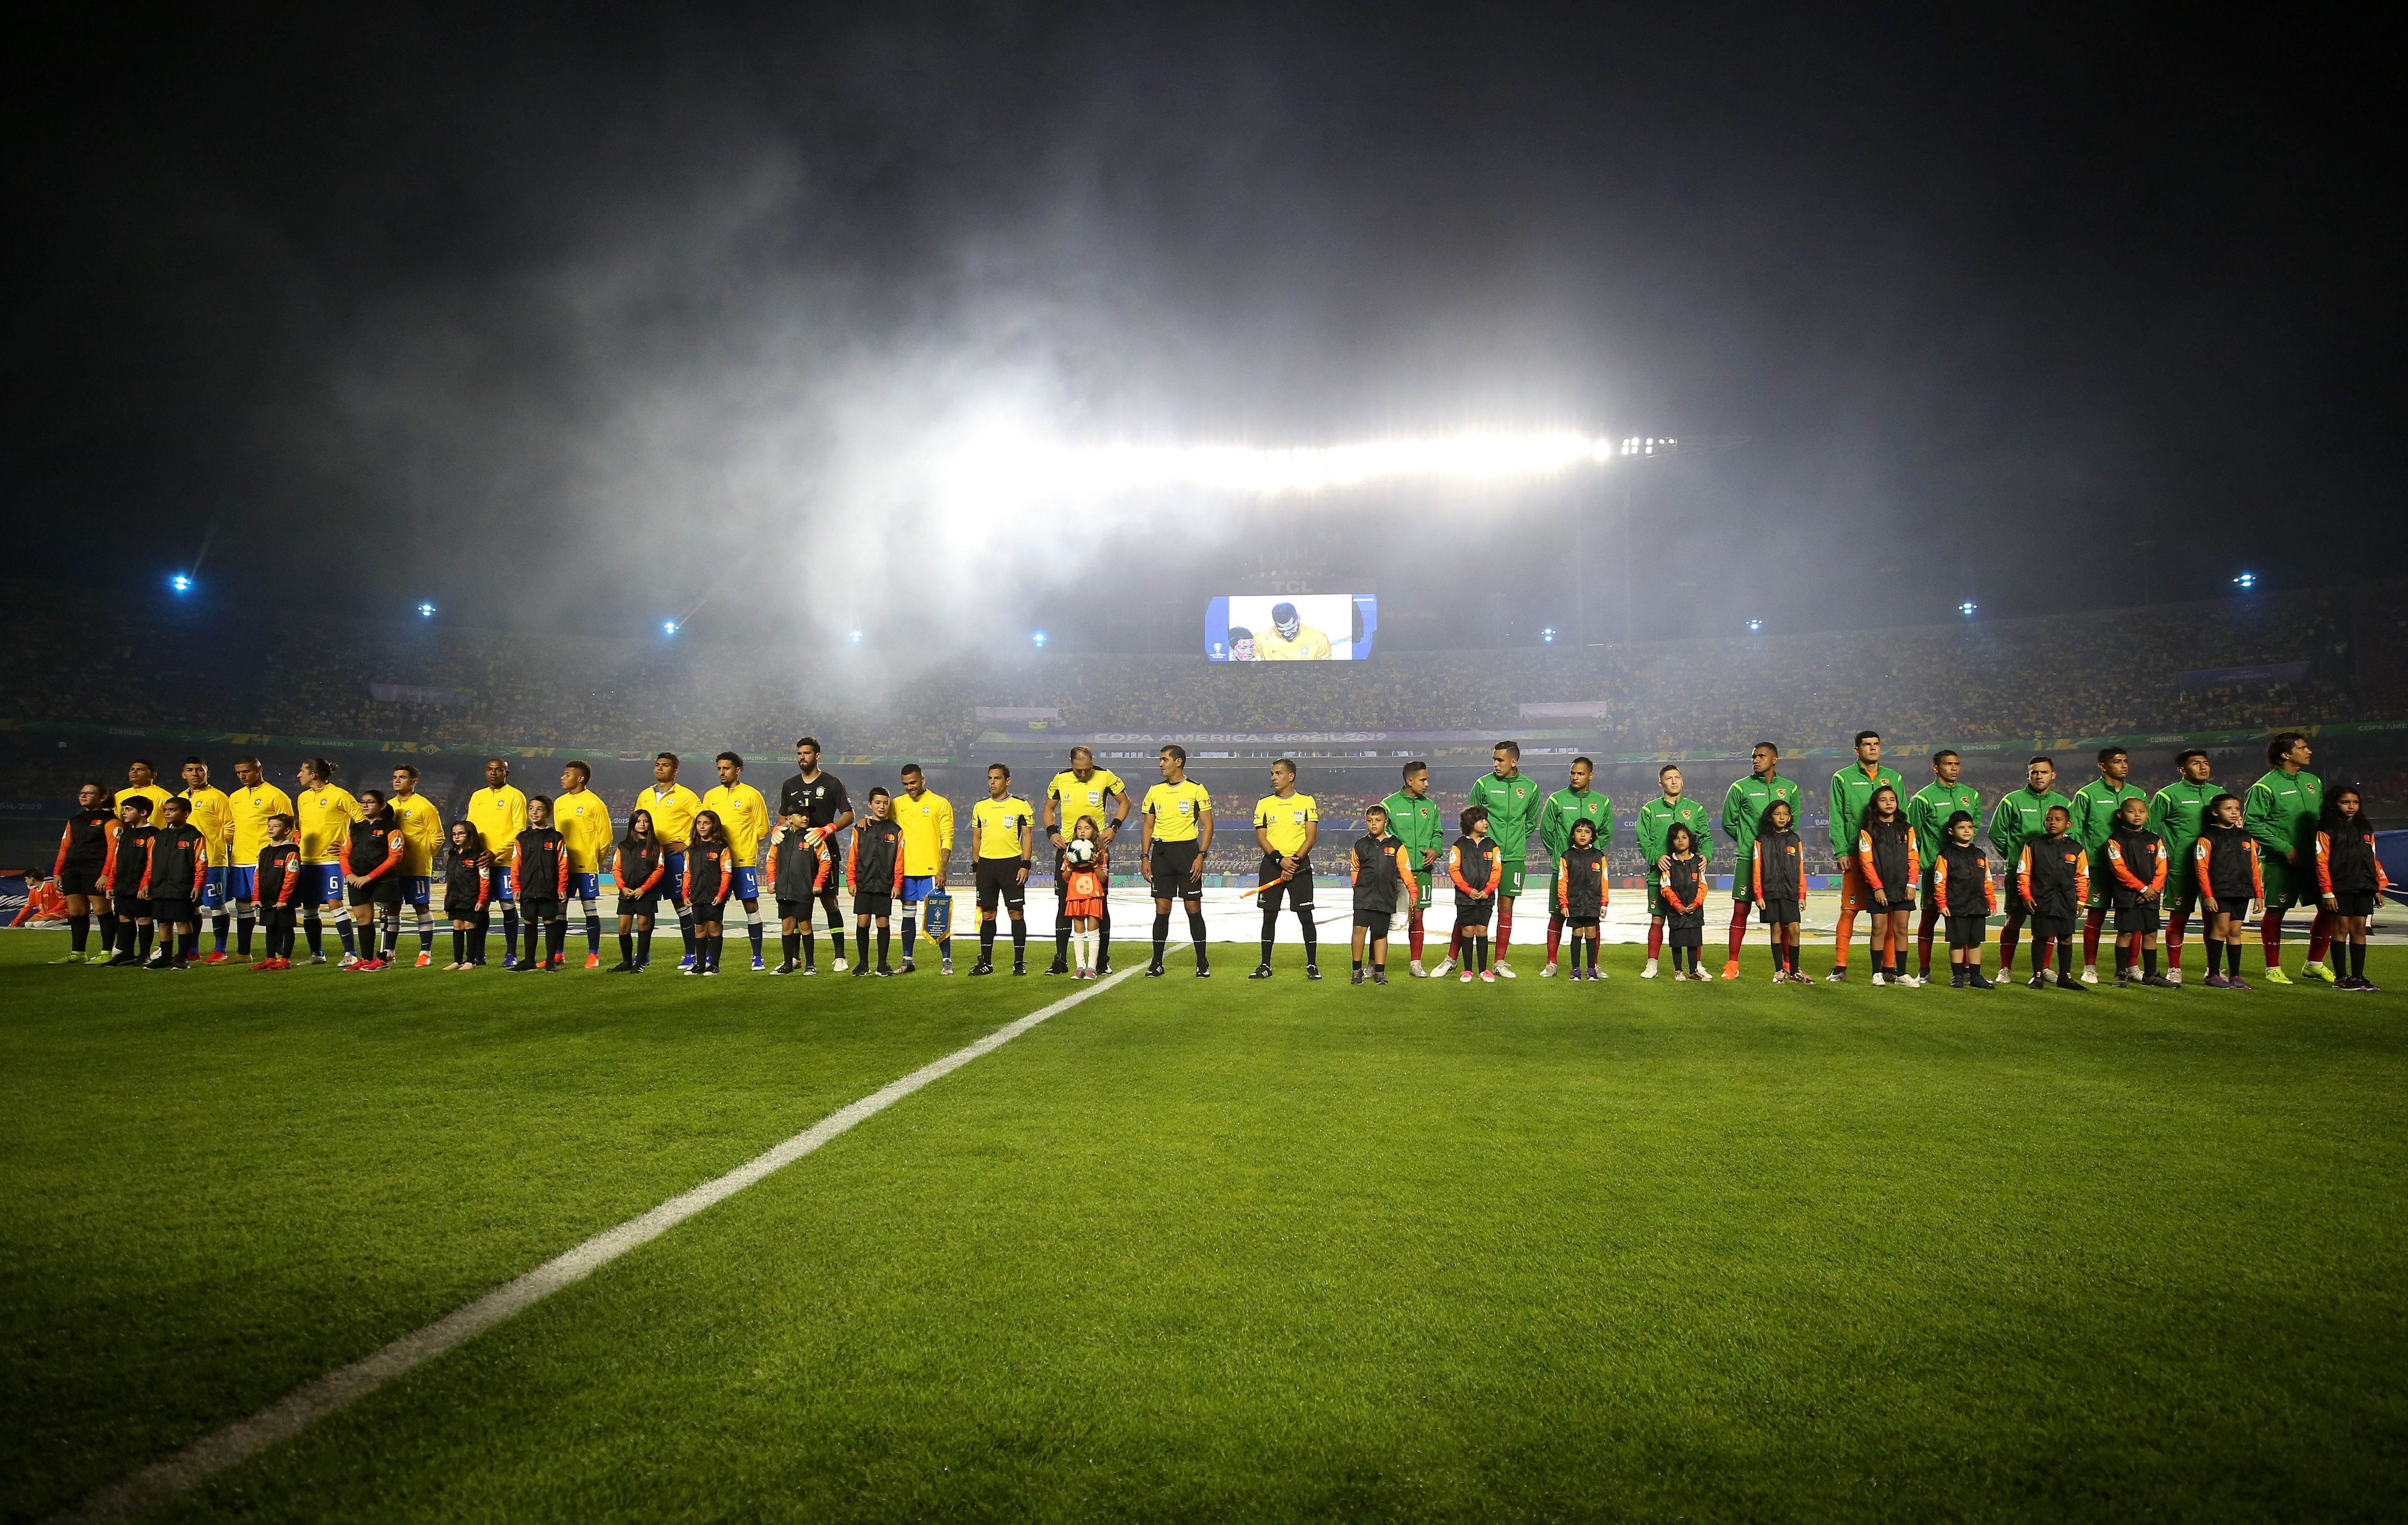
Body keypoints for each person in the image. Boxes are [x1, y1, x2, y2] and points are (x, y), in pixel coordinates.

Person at [2244, 731, 2328, 985]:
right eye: (2302, 748)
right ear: (2285, 754)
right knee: (2276, 911)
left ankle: (2314, 964)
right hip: (2280, 861)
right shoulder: (2264, 787)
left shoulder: (2313, 781)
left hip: (2315, 860)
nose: (2309, 751)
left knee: (2330, 908)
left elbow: (2323, 818)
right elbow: (2252, 823)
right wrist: (2285, 849)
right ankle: (2273, 968)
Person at [1987, 756, 2073, 983]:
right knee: (2014, 920)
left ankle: (2044, 968)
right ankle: (2005, 968)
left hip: (2051, 876)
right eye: (2035, 772)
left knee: (2050, 921)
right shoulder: (2011, 801)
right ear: (2028, 775)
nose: (2039, 776)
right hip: (2020, 873)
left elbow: (2071, 836)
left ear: (2053, 775)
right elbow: (1996, 833)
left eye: (2044, 772)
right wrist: (2016, 857)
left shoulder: (2063, 803)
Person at [1825, 732, 1903, 982]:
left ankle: (1888, 968)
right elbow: (1837, 817)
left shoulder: (1894, 778)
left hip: (1888, 856)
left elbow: (1902, 815)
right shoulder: (1842, 778)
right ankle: (1840, 967)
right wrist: (1841, 851)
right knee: (1849, 910)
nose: (1873, 748)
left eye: (1876, 744)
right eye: (1867, 745)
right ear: (1857, 750)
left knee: (1888, 913)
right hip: (1855, 854)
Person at [1043, 747, 1127, 975]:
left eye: (1087, 769)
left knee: (1101, 906)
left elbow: (1125, 802)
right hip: (1069, 852)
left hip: (1096, 852)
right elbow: (1049, 808)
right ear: (1071, 763)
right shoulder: (1060, 779)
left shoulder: (1105, 776)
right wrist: (1052, 832)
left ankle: (1101, 961)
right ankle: (1061, 961)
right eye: (1078, 770)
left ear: (1093, 762)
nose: (1083, 774)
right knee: (1065, 904)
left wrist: (1114, 827)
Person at [2069, 747, 2149, 984]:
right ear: (2103, 767)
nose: (2124, 765)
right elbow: (2075, 830)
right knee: (2096, 917)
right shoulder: (2087, 794)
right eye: (2117, 762)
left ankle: (2132, 967)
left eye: (2126, 761)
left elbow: (2148, 830)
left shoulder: (2138, 794)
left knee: (2133, 918)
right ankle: (2090, 968)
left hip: (2132, 870)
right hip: (2099, 867)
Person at [1719, 742, 1800, 980]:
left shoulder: (1790, 788)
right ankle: (1733, 963)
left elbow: (1793, 821)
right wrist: (1748, 842)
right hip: (1748, 857)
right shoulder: (1740, 787)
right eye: (1754, 757)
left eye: (1762, 756)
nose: (1756, 760)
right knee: (1741, 910)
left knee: (1784, 916)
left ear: (1775, 759)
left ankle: (1787, 965)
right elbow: (1728, 822)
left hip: (1780, 861)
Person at [1461, 742, 1542, 977]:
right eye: (1495, 760)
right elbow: (1470, 817)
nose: (1496, 764)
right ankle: (1454, 959)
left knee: (1506, 908)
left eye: (1500, 760)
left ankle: (1499, 962)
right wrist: (1486, 844)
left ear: (1514, 762)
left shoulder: (1530, 788)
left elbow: (1530, 822)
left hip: (1513, 857)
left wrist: (1516, 841)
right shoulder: (1483, 784)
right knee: (1470, 907)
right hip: (1484, 857)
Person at [775, 737, 854, 973]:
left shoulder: (832, 783)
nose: (802, 757)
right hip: (796, 855)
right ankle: (794, 958)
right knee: (794, 905)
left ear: (817, 756)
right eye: (799, 753)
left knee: (830, 902)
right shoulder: (789, 785)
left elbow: (849, 814)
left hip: (824, 851)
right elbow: (783, 816)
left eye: (807, 753)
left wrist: (828, 829)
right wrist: (779, 828)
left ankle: (840, 956)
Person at [1904, 750, 1981, 983]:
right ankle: (1924, 970)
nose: (1954, 768)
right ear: (1936, 768)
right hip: (1934, 869)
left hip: (1965, 870)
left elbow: (1975, 826)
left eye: (1957, 764)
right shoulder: (1923, 799)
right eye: (1948, 764)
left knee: (1966, 918)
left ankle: (1964, 970)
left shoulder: (1971, 795)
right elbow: (1913, 833)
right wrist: (1922, 862)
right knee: (1929, 919)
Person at [1140, 745, 1214, 977]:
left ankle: (1202, 962)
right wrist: (1145, 857)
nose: (1161, 764)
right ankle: (1157, 962)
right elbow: (1148, 826)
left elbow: (1208, 825)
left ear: (1178, 762)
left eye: (1165, 760)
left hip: (1187, 853)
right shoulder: (1155, 791)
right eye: (1160, 760)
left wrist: (1201, 855)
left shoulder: (1196, 790)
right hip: (1161, 854)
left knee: (1193, 908)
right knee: (1162, 908)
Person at [2148, 749, 2219, 984]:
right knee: (2179, 919)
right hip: (2182, 867)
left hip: (2215, 869)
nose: (2203, 767)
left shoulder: (2219, 794)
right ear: (2182, 770)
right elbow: (2149, 830)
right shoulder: (2167, 796)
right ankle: (2174, 968)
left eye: (2205, 763)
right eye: (2196, 764)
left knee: (2215, 920)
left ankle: (2213, 969)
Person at [1636, 764, 1713, 980]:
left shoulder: (1696, 809)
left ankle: (1697, 966)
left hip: (1690, 878)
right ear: (1661, 783)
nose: (1674, 781)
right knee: (1658, 919)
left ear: (1683, 781)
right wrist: (1656, 857)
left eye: (1677, 777)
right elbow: (1643, 841)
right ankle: (1652, 964)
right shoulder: (1649, 810)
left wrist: (1706, 855)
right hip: (1660, 876)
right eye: (1669, 778)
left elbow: (1706, 838)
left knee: (1693, 921)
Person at [1540, 757, 1612, 978]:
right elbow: (1546, 831)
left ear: (1591, 775)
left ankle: (1593, 965)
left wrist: (1592, 856)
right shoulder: (1557, 799)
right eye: (1572, 773)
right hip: (1564, 869)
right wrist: (1559, 855)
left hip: (1591, 872)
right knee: (1557, 915)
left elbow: (1606, 832)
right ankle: (1552, 963)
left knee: (1592, 917)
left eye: (1580, 774)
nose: (1575, 777)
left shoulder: (1602, 803)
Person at [1249, 758, 1321, 980]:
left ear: (1291, 777)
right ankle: (1265, 965)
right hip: (1272, 865)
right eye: (1272, 773)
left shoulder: (1307, 802)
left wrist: (1293, 863)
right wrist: (1281, 861)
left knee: (1306, 916)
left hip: (1300, 867)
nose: (1274, 777)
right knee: (1269, 916)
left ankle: (1312, 965)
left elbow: (1311, 838)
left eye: (1278, 773)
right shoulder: (1264, 804)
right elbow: (1262, 838)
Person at [702, 752, 772, 971]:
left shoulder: (752, 795)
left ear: (738, 770)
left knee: (750, 906)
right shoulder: (710, 796)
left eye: (727, 769)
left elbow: (763, 828)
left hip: (743, 861)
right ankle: (712, 960)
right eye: (719, 769)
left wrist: (745, 845)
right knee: (714, 909)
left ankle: (757, 957)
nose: (722, 773)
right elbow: (705, 826)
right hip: (715, 862)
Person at [637, 753, 707, 971]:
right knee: (647, 904)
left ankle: (690, 954)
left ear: (675, 771)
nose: (660, 768)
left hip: (674, 857)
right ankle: (643, 955)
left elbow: (704, 819)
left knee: (681, 903)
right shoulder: (645, 795)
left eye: (665, 765)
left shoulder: (686, 796)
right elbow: (638, 821)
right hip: (649, 856)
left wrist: (687, 844)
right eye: (657, 765)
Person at [2314, 786, 2388, 991]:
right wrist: (2327, 892)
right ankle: (2341, 978)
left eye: (2355, 803)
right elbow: (2321, 863)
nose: (2351, 807)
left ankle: (2358, 977)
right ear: (2334, 804)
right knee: (2341, 929)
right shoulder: (2326, 830)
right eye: (2345, 802)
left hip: (2363, 886)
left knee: (2359, 930)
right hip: (2340, 887)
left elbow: (2372, 860)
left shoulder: (2365, 830)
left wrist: (2376, 888)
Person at [294, 758, 363, 966]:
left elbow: (363, 822)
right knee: (309, 908)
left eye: (302, 771)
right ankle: (317, 954)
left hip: (330, 861)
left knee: (335, 904)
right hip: (307, 860)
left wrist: (347, 846)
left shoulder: (340, 795)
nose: (299, 775)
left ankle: (350, 953)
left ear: (313, 774)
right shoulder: (303, 798)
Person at [223, 756, 292, 964]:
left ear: (259, 770)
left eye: (246, 772)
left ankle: (278, 953)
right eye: (239, 773)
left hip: (264, 860)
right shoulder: (235, 797)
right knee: (243, 904)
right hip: (239, 858)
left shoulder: (276, 795)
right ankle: (244, 953)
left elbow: (289, 827)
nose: (242, 776)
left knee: (272, 905)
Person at [969, 763, 1035, 976]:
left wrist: (1025, 864)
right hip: (987, 866)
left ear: (1008, 781)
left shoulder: (1021, 806)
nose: (992, 782)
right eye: (990, 778)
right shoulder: (980, 807)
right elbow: (977, 839)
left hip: (1011, 865)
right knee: (988, 914)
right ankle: (986, 963)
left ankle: (1019, 963)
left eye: (997, 778)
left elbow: (1027, 837)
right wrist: (976, 866)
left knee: (1016, 913)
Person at [1379, 762, 1445, 976]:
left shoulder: (1431, 807)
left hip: (1422, 872)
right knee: (1382, 918)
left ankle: (1416, 963)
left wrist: (1435, 850)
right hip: (1395, 874)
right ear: (1409, 781)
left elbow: (1437, 834)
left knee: (1417, 917)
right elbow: (1381, 837)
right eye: (1422, 780)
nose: (1427, 784)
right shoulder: (1389, 806)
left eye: (1427, 780)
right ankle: (1374, 964)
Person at [465, 757, 530, 967]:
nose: (493, 773)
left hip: (504, 862)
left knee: (507, 905)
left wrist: (496, 851)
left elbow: (519, 829)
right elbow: (470, 828)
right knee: (481, 906)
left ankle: (511, 954)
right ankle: (479, 955)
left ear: (506, 773)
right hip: (481, 861)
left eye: (498, 770)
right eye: (490, 769)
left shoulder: (515, 796)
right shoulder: (478, 796)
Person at [2015, 806, 2089, 992]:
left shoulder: (2076, 848)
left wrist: (2081, 900)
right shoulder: (2033, 845)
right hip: (2042, 900)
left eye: (2058, 819)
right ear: (2044, 822)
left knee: (2066, 938)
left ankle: (2065, 977)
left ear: (2068, 824)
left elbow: (2082, 876)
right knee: (2040, 937)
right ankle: (2037, 975)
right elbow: (2023, 872)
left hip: (2067, 901)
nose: (2053, 823)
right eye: (2049, 819)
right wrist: (2026, 895)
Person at [893, 763, 956, 975]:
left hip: (931, 871)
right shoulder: (897, 804)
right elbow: (883, 823)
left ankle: (947, 960)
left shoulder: (940, 803)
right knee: (908, 915)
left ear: (923, 780)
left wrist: (942, 869)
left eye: (913, 783)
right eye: (905, 784)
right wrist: (866, 819)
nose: (910, 787)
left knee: (938, 916)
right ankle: (907, 960)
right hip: (907, 871)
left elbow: (947, 837)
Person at [554, 762, 618, 970]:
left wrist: (594, 861)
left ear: (580, 778)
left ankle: (593, 955)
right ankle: (558, 954)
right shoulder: (559, 803)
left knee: (589, 910)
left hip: (586, 867)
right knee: (559, 912)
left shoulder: (595, 803)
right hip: (563, 867)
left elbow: (606, 838)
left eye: (567, 775)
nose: (562, 778)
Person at [2103, 795, 2172, 988]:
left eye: (2142, 812)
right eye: (2131, 811)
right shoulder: (2116, 840)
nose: (2137, 815)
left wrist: (2153, 889)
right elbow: (2119, 869)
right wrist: (2143, 889)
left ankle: (2150, 975)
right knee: (2126, 933)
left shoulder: (2154, 839)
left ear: (2147, 815)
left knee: (2151, 933)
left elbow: (2162, 866)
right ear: (2121, 815)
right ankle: (2120, 973)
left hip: (2151, 895)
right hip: (2127, 896)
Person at [2195, 793, 2263, 989]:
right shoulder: (2208, 836)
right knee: (2221, 930)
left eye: (2237, 809)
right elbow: (2201, 868)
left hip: (2242, 891)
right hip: (2220, 891)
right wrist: (2208, 895)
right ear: (2215, 812)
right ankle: (2213, 975)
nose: (2234, 813)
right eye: (2228, 809)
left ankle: (2235, 976)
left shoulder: (2245, 837)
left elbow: (2254, 867)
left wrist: (2259, 894)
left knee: (2235, 932)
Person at [1855, 784, 1920, 987]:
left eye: (1892, 800)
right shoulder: (1868, 831)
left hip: (1903, 888)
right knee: (1879, 929)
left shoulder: (1907, 829)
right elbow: (1866, 862)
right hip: (1879, 889)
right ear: (1876, 805)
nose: (1889, 803)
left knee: (1902, 929)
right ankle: (1877, 973)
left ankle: (1902, 974)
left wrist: (1912, 884)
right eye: (1883, 800)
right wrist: (1877, 887)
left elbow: (1913, 857)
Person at [46, 782, 114, 963]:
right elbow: (64, 847)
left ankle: (107, 952)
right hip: (73, 871)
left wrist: (106, 874)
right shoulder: (75, 821)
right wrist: (58, 872)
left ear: (103, 797)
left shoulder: (110, 821)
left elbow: (113, 850)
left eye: (89, 794)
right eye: (82, 793)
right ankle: (78, 953)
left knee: (102, 911)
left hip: (96, 871)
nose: (83, 796)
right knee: (76, 912)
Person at [387, 764, 447, 967]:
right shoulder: (388, 806)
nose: (397, 781)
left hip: (417, 868)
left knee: (421, 906)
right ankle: (389, 953)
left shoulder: (425, 806)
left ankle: (425, 953)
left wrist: (423, 855)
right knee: (393, 908)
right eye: (395, 777)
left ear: (414, 782)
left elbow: (438, 837)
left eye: (402, 777)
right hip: (393, 868)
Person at [177, 757, 235, 963]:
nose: (195, 773)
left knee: (217, 905)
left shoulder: (218, 797)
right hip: (187, 862)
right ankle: (192, 950)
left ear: (207, 774)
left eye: (199, 770)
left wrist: (217, 845)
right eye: (190, 770)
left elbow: (230, 826)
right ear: (183, 774)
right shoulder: (181, 797)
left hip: (213, 861)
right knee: (192, 905)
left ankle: (220, 950)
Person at [340, 790, 407, 970]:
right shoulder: (356, 828)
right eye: (363, 802)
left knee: (386, 917)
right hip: (357, 880)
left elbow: (395, 857)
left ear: (382, 806)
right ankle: (367, 959)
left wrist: (370, 877)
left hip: (383, 880)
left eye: (370, 802)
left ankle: (384, 959)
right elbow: (344, 854)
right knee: (363, 919)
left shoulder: (391, 829)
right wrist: (349, 875)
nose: (365, 805)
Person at [141, 795, 211, 969]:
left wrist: (198, 884)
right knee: (163, 922)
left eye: (172, 810)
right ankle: (165, 958)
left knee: (182, 921)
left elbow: (201, 862)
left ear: (186, 814)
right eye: (166, 810)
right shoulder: (159, 836)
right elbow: (151, 862)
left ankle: (183, 957)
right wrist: (147, 882)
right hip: (160, 886)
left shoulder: (195, 836)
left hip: (182, 886)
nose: (167, 813)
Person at [1931, 810, 1997, 989]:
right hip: (1957, 906)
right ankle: (1958, 976)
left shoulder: (1980, 854)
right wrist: (1942, 903)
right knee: (1958, 942)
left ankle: (1976, 977)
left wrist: (1991, 902)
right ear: (1951, 831)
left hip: (1978, 905)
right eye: (1961, 828)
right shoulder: (1946, 855)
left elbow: (1987, 880)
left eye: (1970, 827)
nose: (1967, 831)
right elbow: (1940, 881)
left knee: (1975, 942)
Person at [1348, 803, 1409, 985]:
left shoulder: (1396, 845)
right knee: (1359, 930)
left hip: (1385, 896)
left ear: (1386, 822)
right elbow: (1355, 869)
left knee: (1381, 934)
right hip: (1364, 896)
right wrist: (1357, 888)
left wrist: (1413, 892)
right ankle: (1357, 970)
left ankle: (1380, 972)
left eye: (1378, 820)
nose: (1374, 824)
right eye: (1370, 820)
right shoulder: (1361, 845)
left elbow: (1405, 870)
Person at [847, 786, 906, 976]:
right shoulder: (860, 828)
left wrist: (897, 884)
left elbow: (899, 860)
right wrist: (851, 880)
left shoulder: (895, 830)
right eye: (878, 803)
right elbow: (853, 856)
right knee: (863, 922)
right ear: (870, 804)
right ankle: (863, 964)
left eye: (886, 803)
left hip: (884, 883)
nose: (882, 807)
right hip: (864, 882)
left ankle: (882, 964)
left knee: (883, 922)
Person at [771, 799, 834, 974]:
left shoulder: (813, 837)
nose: (806, 818)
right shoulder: (781, 837)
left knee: (805, 926)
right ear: (790, 819)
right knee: (787, 926)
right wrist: (771, 882)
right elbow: (771, 860)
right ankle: (788, 964)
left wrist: (818, 883)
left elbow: (826, 861)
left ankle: (810, 965)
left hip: (804, 890)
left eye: (807, 815)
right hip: (784, 890)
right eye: (801, 815)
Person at [513, 795, 573, 972]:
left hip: (549, 888)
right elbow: (516, 864)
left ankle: (550, 962)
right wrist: (516, 887)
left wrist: (562, 887)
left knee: (549, 921)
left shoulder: (555, 837)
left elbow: (563, 864)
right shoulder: (522, 837)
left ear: (548, 813)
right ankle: (529, 962)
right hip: (528, 887)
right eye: (531, 808)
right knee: (529, 921)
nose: (534, 812)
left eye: (540, 809)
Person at [1750, 799, 1807, 983]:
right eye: (1777, 814)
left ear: (1790, 817)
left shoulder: (1795, 839)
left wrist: (1802, 894)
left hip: (1791, 891)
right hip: (1771, 891)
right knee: (1775, 928)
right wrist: (1759, 895)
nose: (1782, 817)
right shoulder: (1761, 840)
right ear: (1770, 817)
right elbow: (1757, 869)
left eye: (1785, 814)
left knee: (1795, 929)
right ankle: (1779, 971)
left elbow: (1801, 868)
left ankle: (1794, 971)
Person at [1446, 805, 1503, 984]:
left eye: (1486, 819)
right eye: (1481, 820)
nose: (1486, 823)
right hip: (1465, 897)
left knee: (1482, 930)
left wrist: (1488, 890)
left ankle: (1484, 970)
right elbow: (1454, 870)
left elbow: (1497, 870)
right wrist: (1468, 890)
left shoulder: (1492, 846)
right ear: (1471, 823)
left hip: (1486, 897)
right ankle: (1467, 970)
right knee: (1468, 930)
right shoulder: (1459, 846)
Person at [98, 795, 156, 966]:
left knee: (143, 919)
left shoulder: (153, 834)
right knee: (124, 917)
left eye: (129, 809)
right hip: (123, 884)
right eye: (123, 809)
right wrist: (111, 882)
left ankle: (144, 955)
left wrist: (146, 884)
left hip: (141, 885)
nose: (124, 813)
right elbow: (116, 860)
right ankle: (127, 954)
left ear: (143, 812)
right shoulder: (126, 834)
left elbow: (152, 862)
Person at [608, 808, 666, 973]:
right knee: (623, 928)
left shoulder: (655, 846)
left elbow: (659, 869)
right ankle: (627, 962)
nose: (642, 824)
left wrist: (644, 889)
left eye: (646, 821)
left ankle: (640, 962)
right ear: (633, 824)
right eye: (639, 821)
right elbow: (616, 869)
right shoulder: (623, 846)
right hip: (626, 893)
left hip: (646, 894)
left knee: (643, 925)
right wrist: (622, 888)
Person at [1553, 816, 1609, 981]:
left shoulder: (1599, 856)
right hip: (1575, 903)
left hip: (1593, 902)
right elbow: (1562, 881)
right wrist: (1564, 903)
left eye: (1587, 832)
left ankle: (1591, 969)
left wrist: (1604, 903)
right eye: (1579, 831)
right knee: (1577, 933)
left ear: (1593, 836)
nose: (1583, 835)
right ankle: (1576, 969)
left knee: (1591, 933)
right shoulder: (1567, 856)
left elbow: (1604, 881)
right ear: (1573, 835)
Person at [680, 809, 733, 975]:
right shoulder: (692, 849)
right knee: (700, 929)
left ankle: (714, 965)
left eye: (706, 823)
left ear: (714, 826)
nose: (702, 827)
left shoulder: (722, 848)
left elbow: (726, 873)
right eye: (699, 823)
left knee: (714, 928)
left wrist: (721, 895)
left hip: (714, 895)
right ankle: (700, 965)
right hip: (697, 895)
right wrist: (685, 894)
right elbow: (687, 873)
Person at [440, 819, 492, 971]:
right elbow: (450, 880)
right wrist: (447, 899)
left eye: (461, 834)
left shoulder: (479, 855)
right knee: (457, 926)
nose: (457, 837)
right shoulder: (452, 855)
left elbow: (485, 879)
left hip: (471, 897)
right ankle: (457, 960)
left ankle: (471, 961)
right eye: (454, 834)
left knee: (470, 925)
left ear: (470, 835)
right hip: (455, 897)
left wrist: (482, 899)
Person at [252, 814, 302, 970]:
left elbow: (291, 876)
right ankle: (270, 958)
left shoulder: (291, 851)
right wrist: (256, 897)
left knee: (286, 927)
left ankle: (285, 959)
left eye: (276, 826)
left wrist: (283, 899)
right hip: (267, 898)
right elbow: (258, 875)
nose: (271, 829)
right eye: (269, 826)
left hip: (284, 900)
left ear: (287, 831)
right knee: (270, 928)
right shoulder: (265, 852)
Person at [1660, 823, 1709, 980]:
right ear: (1672, 842)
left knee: (1694, 941)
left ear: (1690, 839)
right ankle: (1678, 971)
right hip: (1676, 911)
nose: (1681, 841)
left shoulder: (1698, 862)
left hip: (1695, 910)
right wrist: (1678, 906)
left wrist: (1696, 903)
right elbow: (1665, 887)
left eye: (1684, 837)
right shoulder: (1669, 863)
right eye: (1676, 838)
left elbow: (1703, 885)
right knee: (1677, 942)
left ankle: (1693, 971)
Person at [1063, 815, 1109, 979]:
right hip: (1075, 895)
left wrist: (1095, 865)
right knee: (1078, 930)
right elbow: (1065, 877)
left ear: (1094, 831)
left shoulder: (1100, 853)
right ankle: (1080, 966)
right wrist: (1070, 865)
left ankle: (1092, 967)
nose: (1082, 832)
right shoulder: (1070, 851)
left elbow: (1103, 879)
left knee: (1093, 930)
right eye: (1079, 828)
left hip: (1093, 895)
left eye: (1087, 828)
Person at [1254, 601, 1332, 659]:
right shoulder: (1260, 640)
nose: (1287, 634)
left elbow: (1326, 669)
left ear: (1298, 619)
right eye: (1281, 630)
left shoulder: (1319, 639)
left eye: (1291, 629)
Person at [110, 759, 173, 825]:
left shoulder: (163, 796)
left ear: (153, 776)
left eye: (140, 770)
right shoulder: (119, 795)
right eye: (132, 769)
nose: (134, 772)